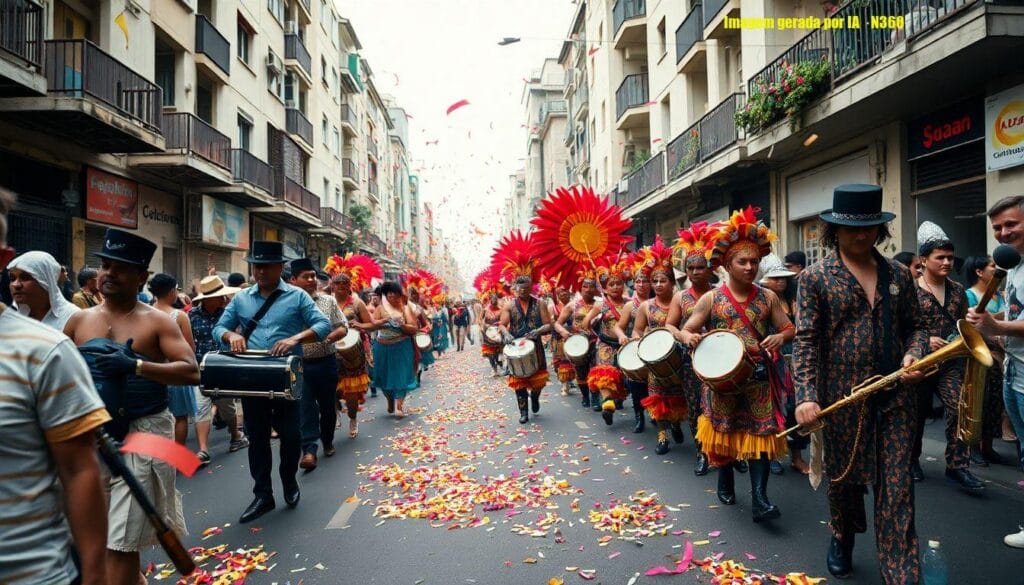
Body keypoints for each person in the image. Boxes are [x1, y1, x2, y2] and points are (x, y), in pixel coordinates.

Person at [793, 184, 929, 581]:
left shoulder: (900, 275)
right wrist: (806, 395)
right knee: (844, 480)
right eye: (853, 228)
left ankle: (901, 571)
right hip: (841, 400)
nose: (861, 234)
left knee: (898, 486)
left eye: (870, 227)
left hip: (896, 398)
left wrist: (914, 354)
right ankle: (842, 534)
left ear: (879, 229)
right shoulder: (816, 278)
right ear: (834, 230)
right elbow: (805, 342)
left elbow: (917, 328)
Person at [63, 228, 197, 585]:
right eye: (104, 265)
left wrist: (137, 366)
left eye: (118, 268)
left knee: (121, 546)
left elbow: (191, 371)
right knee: (101, 540)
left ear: (141, 277)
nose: (107, 274)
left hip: (147, 434)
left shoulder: (158, 321)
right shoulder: (78, 320)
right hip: (93, 437)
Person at [0, 187, 111, 585]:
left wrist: (94, 571)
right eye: (13, 280)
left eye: (26, 279)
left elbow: (80, 468)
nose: (17, 287)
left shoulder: (53, 345)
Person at [681, 209, 794, 524]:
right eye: (742, 262)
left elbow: (788, 328)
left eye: (754, 262)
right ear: (727, 265)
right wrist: (690, 337)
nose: (749, 267)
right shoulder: (712, 300)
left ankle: (760, 499)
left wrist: (781, 339)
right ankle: (725, 477)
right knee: (724, 430)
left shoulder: (768, 297)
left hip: (759, 376)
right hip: (721, 379)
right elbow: (688, 329)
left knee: (761, 435)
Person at [212, 241, 332, 523]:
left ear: (280, 268)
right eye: (256, 266)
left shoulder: (298, 296)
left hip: (288, 376)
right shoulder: (241, 299)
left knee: (291, 435)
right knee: (257, 437)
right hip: (252, 377)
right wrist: (232, 336)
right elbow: (220, 328)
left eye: (266, 266)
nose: (261, 271)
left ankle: (288, 481)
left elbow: (323, 325)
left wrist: (295, 338)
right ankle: (262, 495)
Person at [966, 195, 1024, 548]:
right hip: (1015, 374)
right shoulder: (1014, 266)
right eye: (998, 227)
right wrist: (991, 321)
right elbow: (1017, 315)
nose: (1003, 233)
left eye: (1011, 224)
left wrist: (996, 327)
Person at [909, 222, 982, 490]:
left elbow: (963, 323)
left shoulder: (958, 290)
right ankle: (911, 460)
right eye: (940, 257)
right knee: (915, 414)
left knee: (960, 407)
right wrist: (925, 340)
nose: (948, 262)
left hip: (951, 361)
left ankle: (957, 465)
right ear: (924, 260)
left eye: (950, 257)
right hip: (918, 361)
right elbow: (898, 327)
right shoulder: (909, 290)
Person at [618, 236, 686, 454]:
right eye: (654, 281)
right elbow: (637, 330)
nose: (657, 285)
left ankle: (676, 423)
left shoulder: (683, 302)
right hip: (654, 361)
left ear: (672, 283)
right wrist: (638, 339)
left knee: (677, 397)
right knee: (657, 398)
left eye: (662, 281)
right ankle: (662, 436)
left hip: (678, 358)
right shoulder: (646, 306)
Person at [290, 258, 349, 471]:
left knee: (327, 406)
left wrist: (329, 338)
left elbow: (343, 327)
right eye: (306, 277)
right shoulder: (287, 304)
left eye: (313, 276)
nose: (311, 280)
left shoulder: (328, 302)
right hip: (300, 365)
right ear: (293, 280)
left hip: (326, 362)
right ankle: (309, 450)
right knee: (306, 407)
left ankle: (328, 440)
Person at [666, 223, 717, 471]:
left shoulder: (721, 293)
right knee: (696, 406)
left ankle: (728, 451)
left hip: (721, 359)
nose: (696, 272)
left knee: (722, 406)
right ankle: (702, 453)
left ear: (710, 270)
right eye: (691, 268)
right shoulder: (680, 297)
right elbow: (670, 326)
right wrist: (684, 337)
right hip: (691, 360)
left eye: (701, 267)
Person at [758, 254, 810, 476]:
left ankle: (797, 457)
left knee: (798, 409)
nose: (781, 282)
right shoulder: (760, 302)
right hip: (772, 362)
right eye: (775, 278)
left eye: (783, 278)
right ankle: (773, 455)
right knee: (774, 410)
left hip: (797, 360)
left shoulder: (795, 300)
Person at [188, 275, 247, 465]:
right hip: (201, 367)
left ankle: (236, 435)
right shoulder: (192, 316)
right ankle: (203, 450)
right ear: (206, 299)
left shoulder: (228, 314)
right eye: (219, 297)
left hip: (224, 366)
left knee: (226, 407)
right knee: (201, 406)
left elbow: (239, 335)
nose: (223, 300)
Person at [495, 233, 552, 424]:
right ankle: (523, 412)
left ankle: (535, 397)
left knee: (538, 383)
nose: (523, 292)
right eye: (520, 289)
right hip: (516, 346)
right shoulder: (509, 305)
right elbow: (502, 324)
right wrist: (507, 334)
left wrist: (538, 331)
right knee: (518, 383)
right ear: (515, 288)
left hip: (534, 346)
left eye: (527, 289)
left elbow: (549, 325)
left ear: (531, 287)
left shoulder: (541, 303)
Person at [324, 253, 382, 438]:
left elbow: (371, 324)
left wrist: (359, 325)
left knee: (351, 395)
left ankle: (352, 417)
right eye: (337, 285)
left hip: (353, 353)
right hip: (329, 350)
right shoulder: (325, 302)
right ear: (332, 286)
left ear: (350, 286)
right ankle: (334, 413)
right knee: (329, 388)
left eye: (344, 285)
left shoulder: (357, 304)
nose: (341, 288)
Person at [963, 254, 1008, 466]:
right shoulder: (969, 295)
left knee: (994, 402)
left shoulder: (999, 295)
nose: (995, 268)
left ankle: (988, 447)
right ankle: (974, 448)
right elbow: (970, 328)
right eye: (992, 266)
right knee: (979, 401)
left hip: (1000, 355)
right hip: (980, 354)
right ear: (979, 272)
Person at [149, 273, 198, 446]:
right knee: (180, 416)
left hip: (150, 372)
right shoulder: (179, 316)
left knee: (154, 417)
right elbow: (190, 349)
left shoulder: (143, 312)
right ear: (171, 292)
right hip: (176, 372)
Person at [582, 255, 631, 425]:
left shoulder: (630, 303)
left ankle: (615, 400)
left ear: (623, 285)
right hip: (605, 344)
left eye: (618, 283)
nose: (615, 287)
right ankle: (607, 404)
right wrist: (595, 325)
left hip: (625, 344)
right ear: (605, 288)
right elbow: (585, 322)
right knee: (604, 373)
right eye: (611, 284)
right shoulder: (600, 305)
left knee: (624, 377)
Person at [371, 281, 420, 417]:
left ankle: (399, 406)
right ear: (385, 295)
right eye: (389, 293)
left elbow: (414, 328)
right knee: (383, 377)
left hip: (402, 346)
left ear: (399, 294)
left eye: (394, 292)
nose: (392, 295)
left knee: (401, 376)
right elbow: (372, 324)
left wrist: (402, 325)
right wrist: (380, 322)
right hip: (382, 347)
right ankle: (389, 400)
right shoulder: (380, 308)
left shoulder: (405, 308)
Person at [614, 264, 650, 432]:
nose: (641, 284)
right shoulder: (630, 305)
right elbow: (618, 327)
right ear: (634, 284)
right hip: (636, 349)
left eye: (645, 281)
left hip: (658, 350)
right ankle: (639, 417)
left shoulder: (662, 301)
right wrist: (622, 336)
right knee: (637, 386)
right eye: (638, 281)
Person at [7, 250, 81, 331]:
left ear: (46, 281)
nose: (16, 285)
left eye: (25, 278)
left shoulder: (74, 318)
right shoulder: (12, 318)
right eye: (12, 279)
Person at [555, 274, 599, 409]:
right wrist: (564, 332)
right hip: (578, 344)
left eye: (592, 286)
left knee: (596, 370)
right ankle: (585, 395)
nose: (588, 289)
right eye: (585, 286)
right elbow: (557, 324)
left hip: (596, 342)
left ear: (596, 289)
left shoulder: (600, 304)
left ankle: (596, 398)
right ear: (580, 288)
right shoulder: (572, 305)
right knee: (581, 372)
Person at [550, 284, 576, 395]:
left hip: (574, 336)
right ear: (557, 295)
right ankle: (564, 384)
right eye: (561, 292)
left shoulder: (576, 305)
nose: (564, 294)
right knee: (561, 363)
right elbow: (551, 323)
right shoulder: (553, 308)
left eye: (566, 291)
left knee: (574, 361)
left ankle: (570, 381)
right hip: (559, 339)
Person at [478, 290, 505, 377]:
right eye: (492, 302)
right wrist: (483, 326)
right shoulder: (485, 310)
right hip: (487, 334)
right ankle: (494, 369)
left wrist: (499, 324)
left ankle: (498, 364)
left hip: (497, 335)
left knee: (496, 353)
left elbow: (504, 321)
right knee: (490, 354)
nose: (494, 304)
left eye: (495, 302)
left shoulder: (501, 310)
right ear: (489, 301)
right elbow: (479, 320)